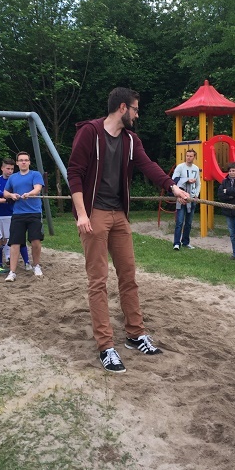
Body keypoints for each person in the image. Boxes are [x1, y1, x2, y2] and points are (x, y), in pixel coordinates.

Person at [67, 87, 189, 374]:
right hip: (94, 213)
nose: (137, 115)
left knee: (128, 276)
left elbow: (148, 166)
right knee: (98, 281)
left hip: (119, 214)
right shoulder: (89, 133)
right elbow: (74, 173)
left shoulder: (131, 140)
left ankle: (135, 334)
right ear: (122, 107)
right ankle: (105, 346)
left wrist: (172, 187)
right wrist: (81, 214)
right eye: (135, 109)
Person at [3, 152, 45, 282]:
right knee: (15, 243)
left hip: (34, 213)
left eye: (26, 160)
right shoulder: (13, 178)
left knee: (35, 241)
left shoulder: (35, 174)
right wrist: (11, 195)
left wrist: (29, 194)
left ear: (29, 162)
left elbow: (37, 189)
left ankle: (36, 266)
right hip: (18, 214)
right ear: (17, 163)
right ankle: (12, 272)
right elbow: (5, 192)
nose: (23, 162)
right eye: (21, 160)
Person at [0, 158, 32, 270]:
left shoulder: (16, 179)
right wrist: (5, 198)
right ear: (2, 168)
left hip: (12, 213)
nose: (10, 171)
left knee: (17, 238)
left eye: (12, 169)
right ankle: (0, 263)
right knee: (0, 240)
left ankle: (26, 262)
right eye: (8, 168)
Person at [172, 149, 201, 250]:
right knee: (179, 221)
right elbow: (174, 180)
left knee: (189, 222)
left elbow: (198, 183)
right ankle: (176, 243)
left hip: (192, 198)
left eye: (190, 156)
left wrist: (196, 195)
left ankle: (185, 242)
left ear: (194, 157)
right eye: (187, 156)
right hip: (182, 197)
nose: (188, 158)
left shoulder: (196, 169)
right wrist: (187, 180)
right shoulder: (180, 167)